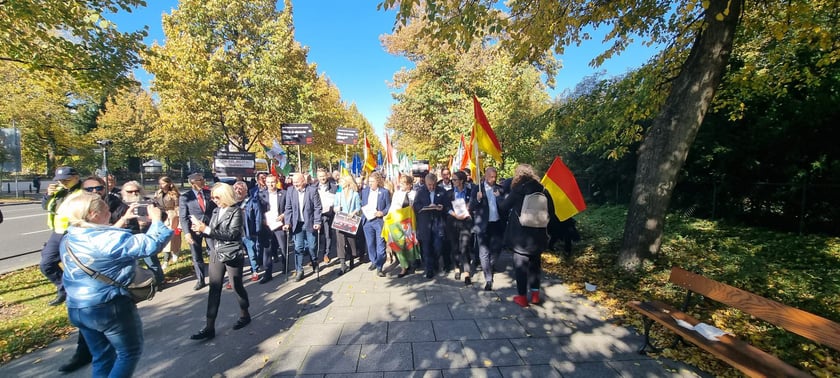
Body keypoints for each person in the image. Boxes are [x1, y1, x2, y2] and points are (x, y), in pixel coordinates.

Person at [59, 192, 172, 377]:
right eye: (104, 207)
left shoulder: (70, 237)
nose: (109, 209)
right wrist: (157, 221)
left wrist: (123, 221)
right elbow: (150, 245)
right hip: (108, 305)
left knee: (102, 356)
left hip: (78, 306)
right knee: (129, 353)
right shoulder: (105, 240)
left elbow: (106, 241)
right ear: (93, 215)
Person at [188, 183, 251, 340]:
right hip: (217, 253)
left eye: (217, 197)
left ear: (225, 196)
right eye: (213, 197)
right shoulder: (216, 210)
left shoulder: (236, 211)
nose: (214, 200)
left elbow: (232, 234)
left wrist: (207, 230)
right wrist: (200, 231)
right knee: (214, 289)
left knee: (237, 286)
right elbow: (213, 232)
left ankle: (245, 314)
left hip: (232, 254)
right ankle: (209, 326)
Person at [499, 164, 554, 307]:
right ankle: (535, 295)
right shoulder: (543, 190)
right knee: (535, 266)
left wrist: (499, 198)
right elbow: (552, 211)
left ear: (518, 175)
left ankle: (522, 297)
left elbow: (504, 207)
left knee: (520, 267)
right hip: (538, 236)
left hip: (520, 237)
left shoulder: (518, 190)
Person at [40, 166, 82, 306]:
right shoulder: (58, 191)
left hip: (74, 232)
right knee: (46, 264)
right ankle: (63, 289)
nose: (62, 183)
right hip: (58, 232)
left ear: (76, 177)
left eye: (66, 180)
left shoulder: (82, 192)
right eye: (60, 180)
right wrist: (48, 195)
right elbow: (47, 207)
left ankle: (76, 293)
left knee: (76, 265)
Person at [282, 172, 323, 282]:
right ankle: (299, 270)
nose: (295, 184)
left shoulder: (312, 190)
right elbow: (288, 208)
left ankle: (314, 261)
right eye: (294, 182)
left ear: (303, 181)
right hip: (297, 224)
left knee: (312, 247)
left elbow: (318, 208)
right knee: (298, 247)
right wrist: (287, 222)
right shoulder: (290, 191)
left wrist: (318, 222)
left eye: (297, 182)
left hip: (309, 222)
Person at [180, 173, 217, 290]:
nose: (202, 181)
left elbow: (215, 210)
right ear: (192, 182)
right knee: (197, 255)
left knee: (213, 252)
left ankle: (215, 276)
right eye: (199, 180)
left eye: (203, 179)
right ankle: (200, 279)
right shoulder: (185, 197)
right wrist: (186, 233)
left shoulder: (209, 194)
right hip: (194, 230)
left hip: (208, 227)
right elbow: (183, 216)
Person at [471, 166, 506, 290]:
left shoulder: (500, 189)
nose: (493, 179)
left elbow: (504, 208)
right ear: (485, 176)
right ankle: (488, 278)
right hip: (483, 225)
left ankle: (489, 266)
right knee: (483, 252)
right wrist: (477, 199)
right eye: (491, 177)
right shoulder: (477, 189)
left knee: (497, 249)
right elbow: (471, 206)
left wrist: (499, 197)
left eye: (495, 177)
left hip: (496, 224)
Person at [414, 173, 448, 279]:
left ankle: (435, 262)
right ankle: (429, 269)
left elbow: (447, 205)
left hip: (438, 222)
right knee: (426, 247)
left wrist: (442, 207)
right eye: (429, 185)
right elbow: (415, 206)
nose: (431, 187)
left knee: (438, 246)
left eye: (433, 185)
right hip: (425, 223)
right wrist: (425, 207)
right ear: (425, 183)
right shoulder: (420, 192)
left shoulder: (442, 191)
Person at [445, 171, 475, 286]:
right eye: (453, 180)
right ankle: (457, 267)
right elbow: (446, 207)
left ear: (461, 180)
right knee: (455, 246)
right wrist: (454, 214)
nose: (453, 182)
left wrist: (469, 208)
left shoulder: (469, 192)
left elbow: (473, 204)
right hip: (453, 222)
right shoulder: (449, 193)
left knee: (464, 246)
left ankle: (467, 272)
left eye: (455, 180)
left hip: (466, 222)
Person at [361, 172, 391, 277]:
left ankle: (379, 267)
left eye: (372, 182)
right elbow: (362, 204)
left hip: (378, 221)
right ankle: (373, 260)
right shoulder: (364, 191)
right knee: (370, 244)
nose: (370, 184)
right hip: (368, 222)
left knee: (380, 245)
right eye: (369, 182)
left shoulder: (384, 192)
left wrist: (382, 212)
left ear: (378, 182)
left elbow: (388, 206)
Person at [389, 175, 420, 277]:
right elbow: (393, 208)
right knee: (399, 244)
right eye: (400, 183)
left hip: (411, 223)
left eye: (403, 183)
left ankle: (413, 262)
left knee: (411, 244)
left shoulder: (415, 194)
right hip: (398, 223)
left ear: (409, 185)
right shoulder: (397, 194)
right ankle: (403, 267)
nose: (400, 185)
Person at [258, 175, 287, 282]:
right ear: (265, 183)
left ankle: (285, 266)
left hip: (279, 224)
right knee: (267, 250)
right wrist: (262, 220)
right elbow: (258, 210)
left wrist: (283, 216)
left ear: (277, 182)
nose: (271, 184)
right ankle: (267, 272)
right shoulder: (261, 195)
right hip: (267, 225)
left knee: (283, 247)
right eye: (269, 182)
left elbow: (288, 207)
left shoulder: (283, 193)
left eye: (273, 182)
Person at [333, 174, 361, 275]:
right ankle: (342, 264)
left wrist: (353, 213)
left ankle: (352, 259)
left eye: (341, 181)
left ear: (347, 182)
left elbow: (358, 207)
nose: (339, 183)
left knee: (351, 241)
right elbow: (335, 205)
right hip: (340, 219)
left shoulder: (355, 194)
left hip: (350, 220)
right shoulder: (338, 194)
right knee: (340, 242)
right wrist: (336, 208)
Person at [154, 176, 182, 270]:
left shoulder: (174, 194)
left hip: (172, 216)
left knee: (174, 236)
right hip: (162, 215)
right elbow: (155, 204)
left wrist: (180, 223)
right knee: (165, 237)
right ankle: (166, 258)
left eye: (163, 183)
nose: (161, 185)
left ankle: (175, 252)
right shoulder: (158, 193)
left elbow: (178, 207)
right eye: (160, 183)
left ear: (169, 183)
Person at [313, 168, 338, 264]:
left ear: (327, 175)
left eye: (324, 176)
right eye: (320, 176)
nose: (322, 178)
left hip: (328, 214)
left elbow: (337, 200)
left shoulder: (333, 187)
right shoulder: (313, 186)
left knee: (328, 235)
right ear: (317, 177)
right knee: (315, 237)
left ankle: (326, 254)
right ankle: (315, 257)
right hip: (317, 215)